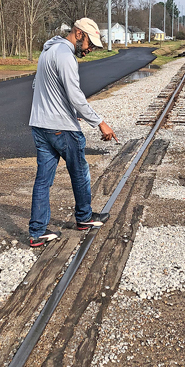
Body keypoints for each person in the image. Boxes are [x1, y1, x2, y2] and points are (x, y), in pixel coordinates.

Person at [27, 17, 118, 248]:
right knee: (79, 172)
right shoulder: (66, 56)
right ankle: (84, 218)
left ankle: (37, 231)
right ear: (79, 34)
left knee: (43, 179)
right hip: (62, 128)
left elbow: (39, 87)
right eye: (89, 44)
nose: (89, 50)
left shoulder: (48, 51)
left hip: (40, 124)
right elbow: (75, 95)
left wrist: (65, 109)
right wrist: (100, 122)